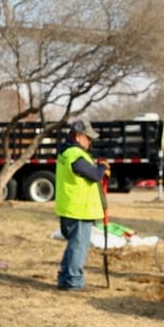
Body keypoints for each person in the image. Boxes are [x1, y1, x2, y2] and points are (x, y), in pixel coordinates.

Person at [54, 119, 109, 290]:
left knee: (74, 245)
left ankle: (65, 279)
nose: (90, 142)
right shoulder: (75, 154)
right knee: (79, 247)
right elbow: (93, 175)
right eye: (88, 138)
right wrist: (102, 168)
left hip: (71, 207)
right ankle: (74, 282)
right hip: (79, 209)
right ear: (78, 136)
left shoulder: (66, 153)